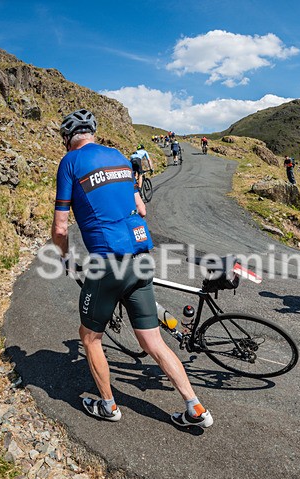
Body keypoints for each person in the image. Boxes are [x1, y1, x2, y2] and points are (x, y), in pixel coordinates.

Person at [51, 109, 213, 428]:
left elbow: (59, 228)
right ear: (93, 133)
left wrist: (67, 257)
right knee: (153, 340)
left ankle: (108, 405)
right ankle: (195, 408)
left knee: (90, 337)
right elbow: (140, 206)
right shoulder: (120, 157)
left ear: (69, 138)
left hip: (108, 262)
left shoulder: (69, 163)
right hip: (140, 256)